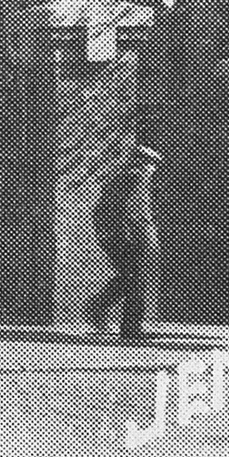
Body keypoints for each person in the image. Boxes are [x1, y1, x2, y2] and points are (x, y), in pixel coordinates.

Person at [84, 143, 162, 342]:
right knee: (136, 280)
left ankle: (98, 306)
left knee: (130, 278)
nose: (151, 169)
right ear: (143, 163)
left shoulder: (127, 180)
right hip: (129, 239)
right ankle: (129, 328)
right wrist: (136, 236)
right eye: (149, 164)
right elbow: (129, 213)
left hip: (126, 237)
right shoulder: (134, 179)